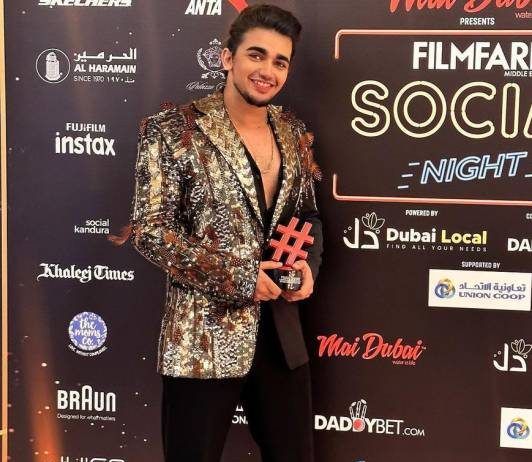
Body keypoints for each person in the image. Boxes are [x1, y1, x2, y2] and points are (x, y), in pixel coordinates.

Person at [129, 4, 322, 461]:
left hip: (281, 337)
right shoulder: (172, 130)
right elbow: (149, 230)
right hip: (202, 340)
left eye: (280, 62)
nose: (268, 71)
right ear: (227, 58)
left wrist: (308, 267)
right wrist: (240, 277)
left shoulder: (293, 131)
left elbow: (308, 216)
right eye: (257, 55)